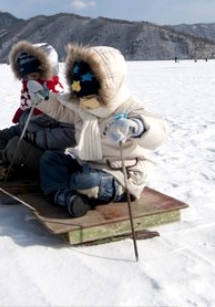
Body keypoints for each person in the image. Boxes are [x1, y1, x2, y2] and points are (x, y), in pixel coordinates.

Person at [27, 44, 167, 217]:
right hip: (87, 165)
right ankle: (67, 197)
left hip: (121, 174)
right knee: (50, 159)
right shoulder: (84, 105)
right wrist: (44, 98)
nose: (82, 97)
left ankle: (67, 189)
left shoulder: (129, 107)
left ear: (107, 82)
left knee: (86, 181)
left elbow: (158, 131)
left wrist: (136, 127)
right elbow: (63, 110)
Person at [0, 41, 76, 182]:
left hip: (48, 155)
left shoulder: (59, 99)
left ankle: (5, 168)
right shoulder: (32, 97)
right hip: (29, 144)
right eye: (25, 78)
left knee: (15, 145)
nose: (28, 82)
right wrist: (8, 135)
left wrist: (36, 138)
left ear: (46, 73)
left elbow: (71, 134)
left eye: (33, 76)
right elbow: (26, 126)